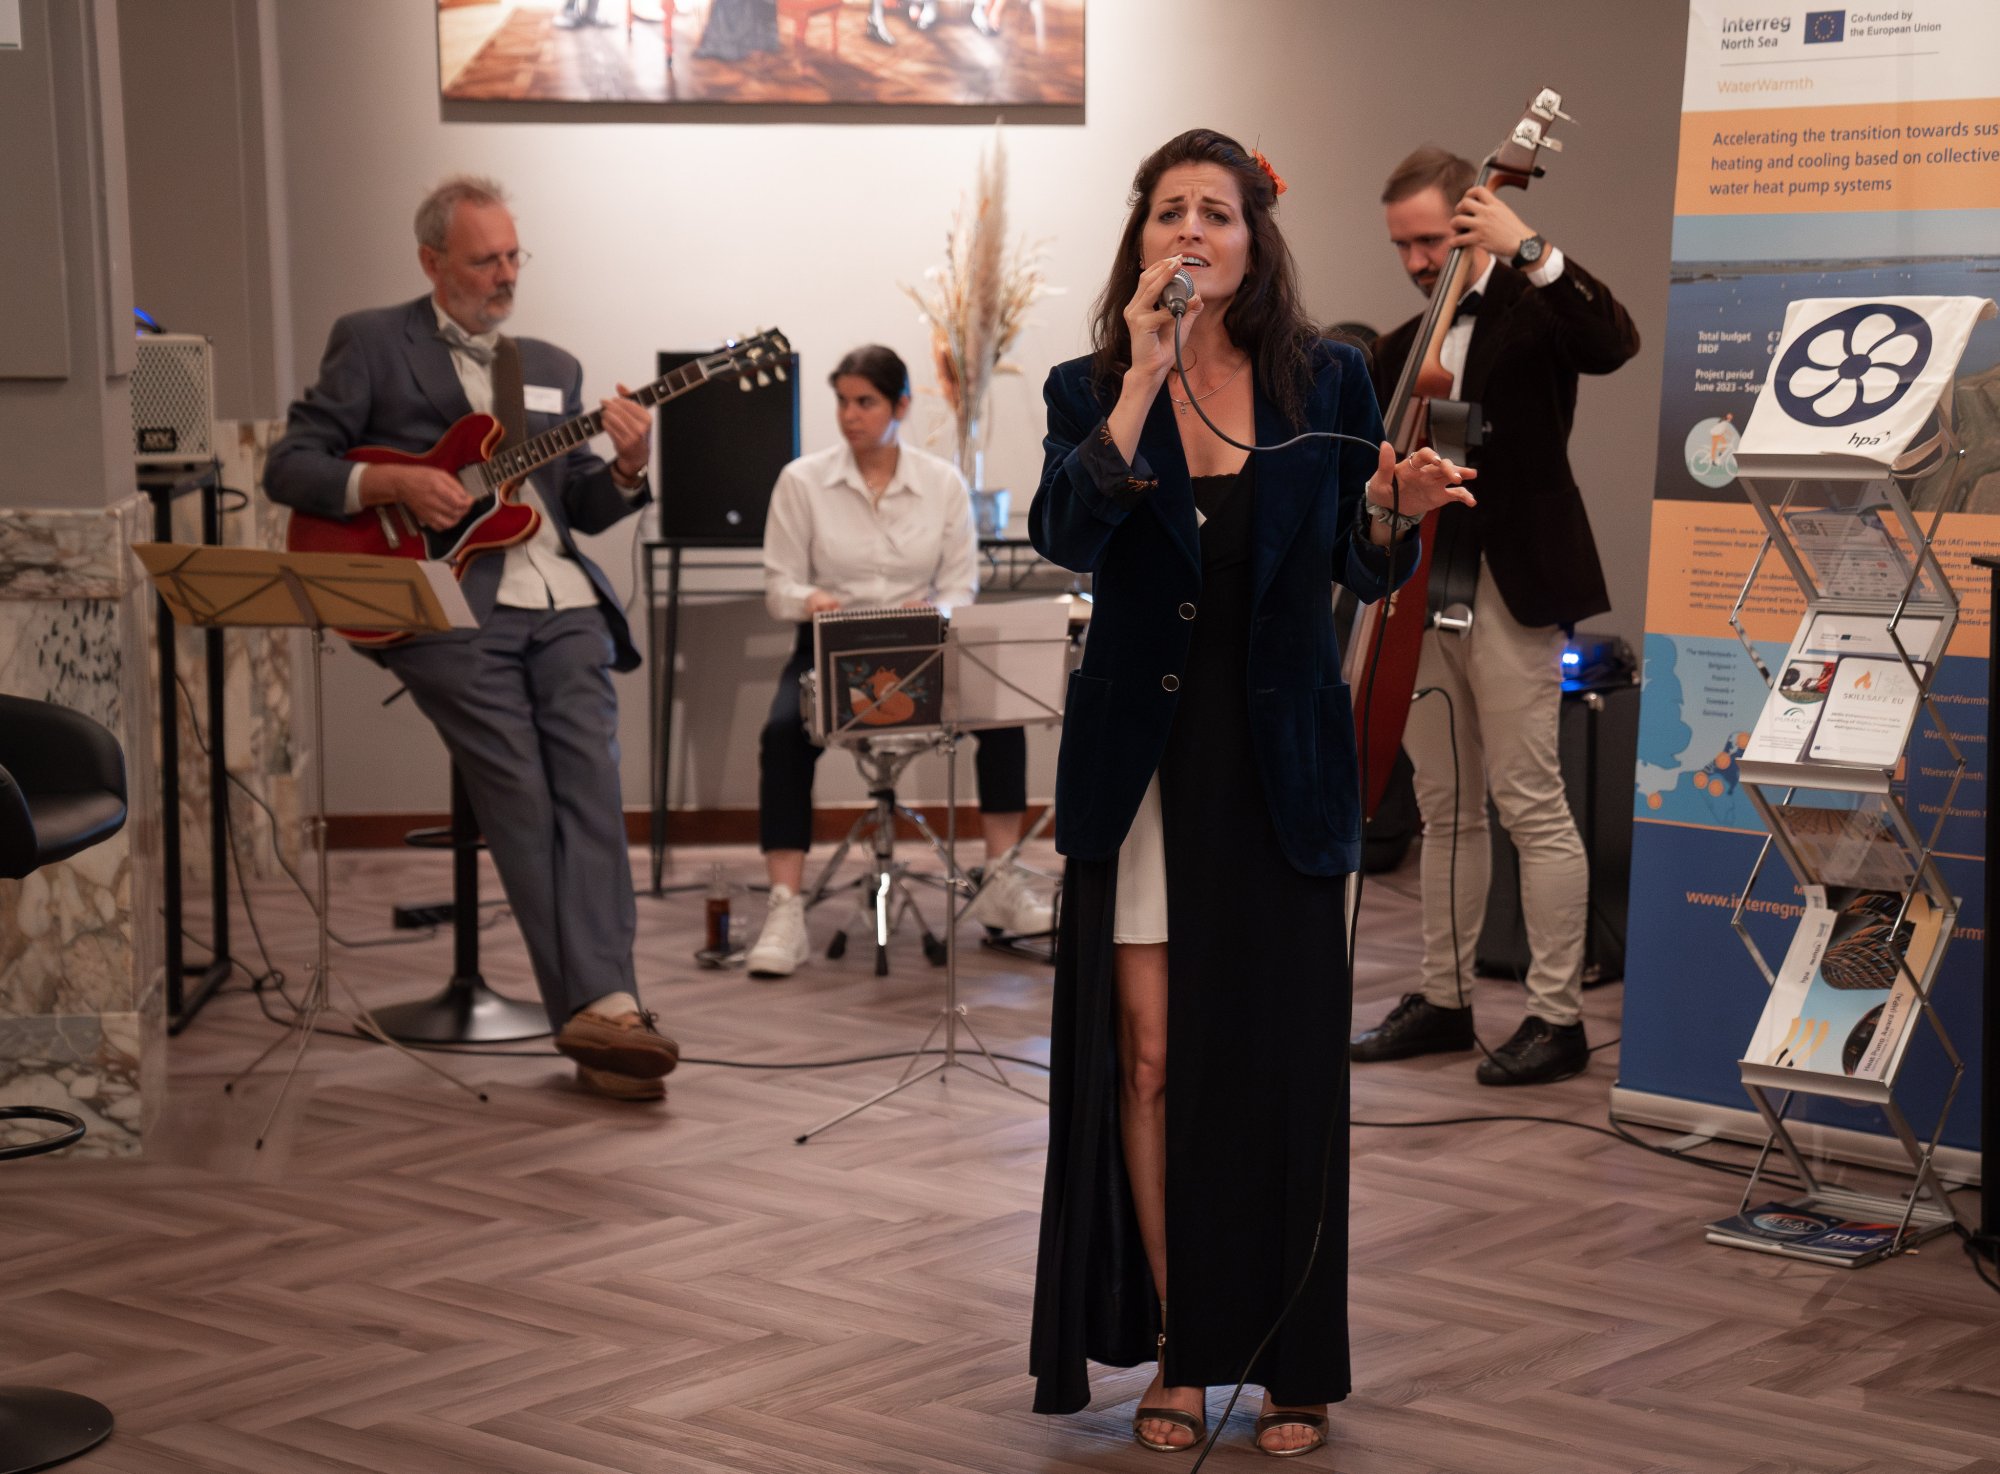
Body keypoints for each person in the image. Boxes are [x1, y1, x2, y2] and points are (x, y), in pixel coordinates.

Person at [1026, 129, 1473, 1457]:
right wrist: (1137, 382)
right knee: (1149, 1062)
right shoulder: (1084, 385)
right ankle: (1179, 1341)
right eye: (1169, 211)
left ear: (1251, 239)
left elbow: (1361, 560)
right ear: (1141, 240)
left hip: (1277, 766)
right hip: (1141, 770)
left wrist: (1392, 510)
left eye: (1215, 212)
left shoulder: (1322, 376)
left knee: (1276, 1073)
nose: (1191, 231)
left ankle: (1289, 1360)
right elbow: (1065, 532)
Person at [263, 176, 680, 1103]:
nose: (505, 275)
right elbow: (290, 467)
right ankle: (605, 1022)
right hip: (442, 603)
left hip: (561, 602)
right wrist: (394, 486)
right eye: (485, 259)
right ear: (432, 262)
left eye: (513, 256)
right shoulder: (373, 341)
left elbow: (578, 505)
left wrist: (627, 466)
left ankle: (607, 1012)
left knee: (591, 784)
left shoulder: (552, 365)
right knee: (520, 795)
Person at [1347, 145, 1640, 1086]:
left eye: (1431, 240)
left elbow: (1615, 342)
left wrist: (1531, 248)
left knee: (1530, 802)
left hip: (1514, 583)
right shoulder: (1399, 347)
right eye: (1402, 246)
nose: (1416, 262)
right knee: (1444, 806)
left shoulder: (1536, 309)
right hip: (1421, 587)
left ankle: (1557, 1017)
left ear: (1472, 221)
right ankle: (1445, 998)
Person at [746, 344, 1054, 978]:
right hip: (830, 645)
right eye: (842, 401)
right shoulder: (801, 481)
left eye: (866, 402)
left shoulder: (941, 483)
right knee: (781, 735)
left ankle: (1000, 876)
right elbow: (778, 589)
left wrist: (933, 610)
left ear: (901, 406)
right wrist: (813, 600)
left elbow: (961, 585)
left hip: (922, 648)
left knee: (1003, 716)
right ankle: (785, 906)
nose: (849, 415)